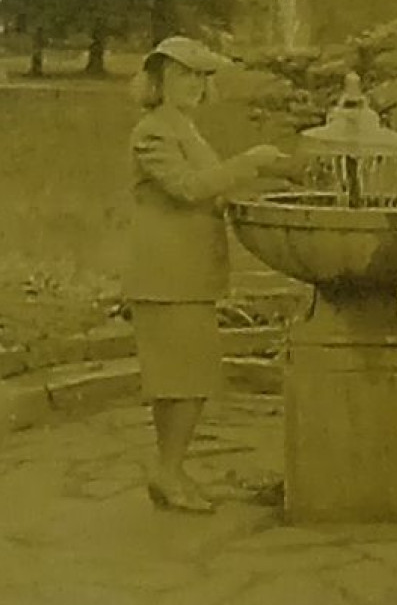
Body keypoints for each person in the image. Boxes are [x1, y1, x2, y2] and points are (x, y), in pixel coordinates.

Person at [123, 36, 294, 513]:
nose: (195, 85)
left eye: (201, 77)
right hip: (165, 274)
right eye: (184, 76)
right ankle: (169, 472)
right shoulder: (153, 131)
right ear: (157, 82)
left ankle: (168, 469)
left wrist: (271, 179)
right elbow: (188, 189)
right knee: (186, 380)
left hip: (185, 272)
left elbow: (211, 188)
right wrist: (250, 163)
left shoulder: (185, 128)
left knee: (179, 378)